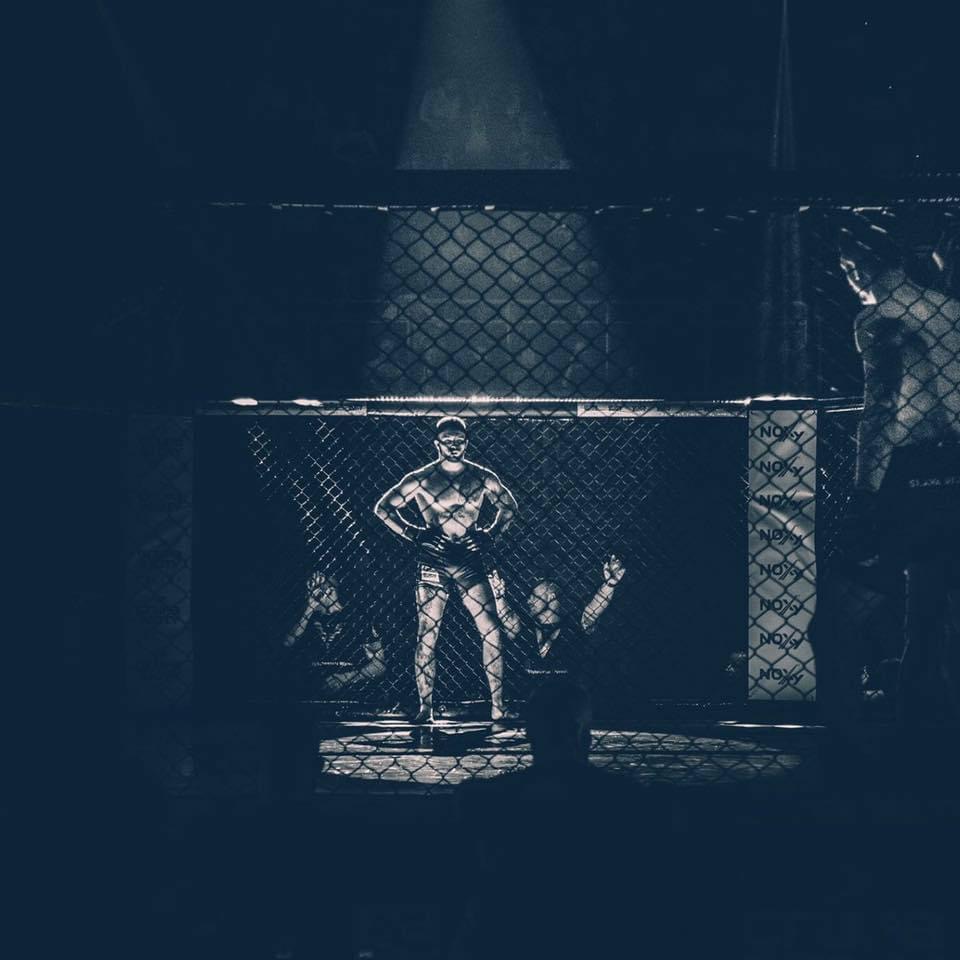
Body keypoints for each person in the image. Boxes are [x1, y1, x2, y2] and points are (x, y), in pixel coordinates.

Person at [822, 237, 960, 729]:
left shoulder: (878, 320)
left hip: (914, 471)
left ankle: (850, 745)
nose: (849, 279)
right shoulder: (950, 311)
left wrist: (865, 492)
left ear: (861, 266)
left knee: (835, 624)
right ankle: (927, 733)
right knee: (933, 613)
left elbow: (882, 407)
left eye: (848, 266)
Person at [373, 416, 518, 723]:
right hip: (434, 560)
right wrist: (414, 533)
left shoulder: (481, 477)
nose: (454, 446)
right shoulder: (422, 478)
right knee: (427, 632)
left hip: (468, 559)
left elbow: (509, 507)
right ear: (437, 444)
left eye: (459, 440)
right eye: (448, 440)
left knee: (491, 629)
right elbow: (383, 508)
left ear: (467, 443)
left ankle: (498, 705)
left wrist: (490, 534)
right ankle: (425, 708)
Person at [490, 554, 627, 676]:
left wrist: (609, 585)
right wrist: (499, 597)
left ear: (551, 596)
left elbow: (593, 610)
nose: (528, 600)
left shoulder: (573, 626)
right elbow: (507, 617)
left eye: (533, 595)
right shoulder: (526, 629)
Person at [281, 571, 386, 698]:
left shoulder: (358, 618)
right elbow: (287, 643)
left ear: (331, 589)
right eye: (310, 586)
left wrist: (345, 678)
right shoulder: (305, 618)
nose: (313, 590)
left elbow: (379, 666)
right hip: (308, 690)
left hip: (350, 692)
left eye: (320, 584)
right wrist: (309, 607)